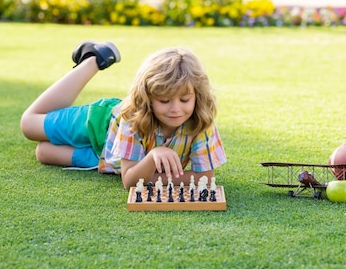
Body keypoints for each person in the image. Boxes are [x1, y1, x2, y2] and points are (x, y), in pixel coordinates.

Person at [20, 41, 227, 189]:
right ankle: (94, 58)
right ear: (147, 98)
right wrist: (153, 158)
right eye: (164, 100)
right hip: (100, 123)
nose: (175, 109)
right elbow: (131, 181)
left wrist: (147, 171)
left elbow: (205, 179)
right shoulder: (133, 116)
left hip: (108, 157)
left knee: (44, 153)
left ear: (197, 96)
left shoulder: (201, 121)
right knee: (29, 126)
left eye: (184, 100)